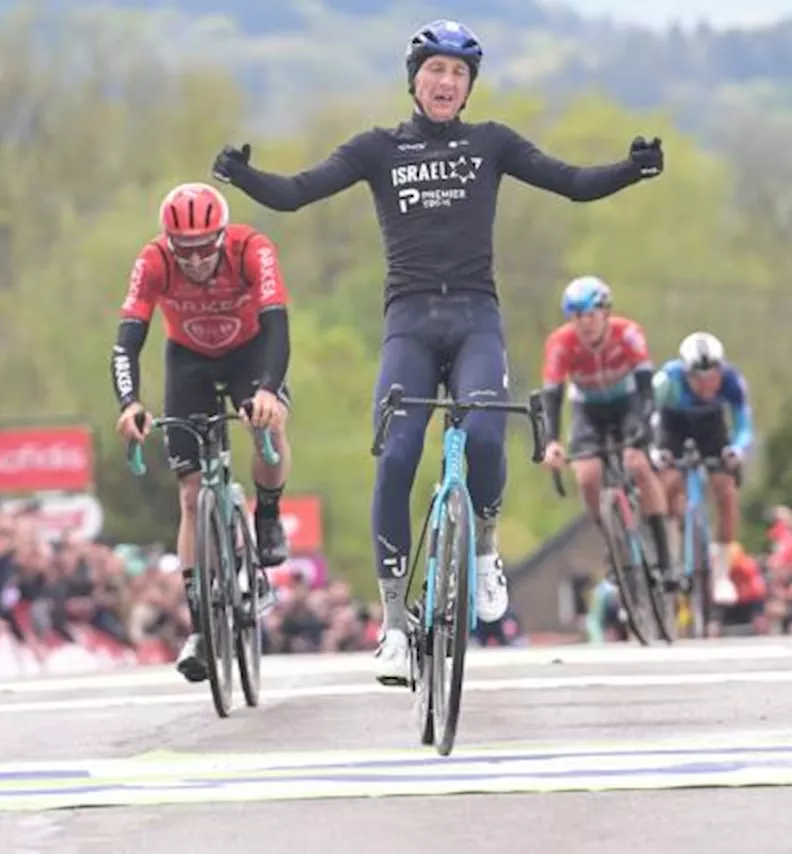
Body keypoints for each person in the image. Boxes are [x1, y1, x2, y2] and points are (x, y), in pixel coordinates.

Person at [211, 19, 663, 685]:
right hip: (410, 323)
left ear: (469, 86)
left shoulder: (492, 143)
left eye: (459, 73)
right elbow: (299, 191)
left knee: (484, 435)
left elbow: (571, 181)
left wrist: (632, 169)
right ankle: (393, 626)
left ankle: (483, 552)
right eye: (435, 70)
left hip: (477, 318)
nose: (446, 81)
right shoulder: (377, 147)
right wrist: (244, 176)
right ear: (414, 80)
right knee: (395, 456)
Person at [111, 181, 293, 683]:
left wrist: (270, 391)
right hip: (187, 360)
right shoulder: (153, 262)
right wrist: (129, 405)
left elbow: (279, 325)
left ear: (221, 236)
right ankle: (199, 626)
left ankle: (269, 514)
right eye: (183, 251)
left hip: (251, 353)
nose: (193, 262)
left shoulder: (250, 249)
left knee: (267, 429)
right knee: (191, 495)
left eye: (203, 250)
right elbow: (127, 343)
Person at [539, 276, 675, 586]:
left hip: (628, 403)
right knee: (587, 476)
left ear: (605, 313)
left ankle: (664, 554)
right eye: (577, 317)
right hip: (587, 409)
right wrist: (551, 442)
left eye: (590, 315)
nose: (585, 324)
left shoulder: (628, 333)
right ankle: (613, 544)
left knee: (638, 465)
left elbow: (645, 387)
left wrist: (643, 425)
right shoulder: (560, 343)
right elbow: (553, 397)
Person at [650, 332, 754, 606]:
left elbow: (744, 424)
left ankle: (721, 574)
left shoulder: (732, 381)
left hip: (712, 429)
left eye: (712, 377)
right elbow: (647, 415)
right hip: (673, 425)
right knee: (667, 481)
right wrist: (654, 451)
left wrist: (738, 450)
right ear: (686, 373)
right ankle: (669, 554)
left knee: (726, 490)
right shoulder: (668, 380)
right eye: (699, 378)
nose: (707, 384)